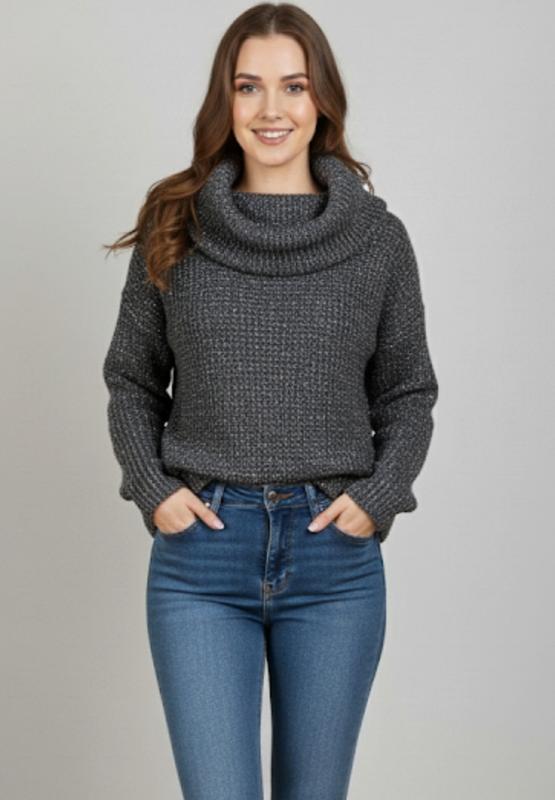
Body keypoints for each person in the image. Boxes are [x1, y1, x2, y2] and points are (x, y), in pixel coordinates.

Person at [101, 4, 439, 799]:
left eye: (293, 85)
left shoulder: (377, 240)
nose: (270, 109)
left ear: (322, 99)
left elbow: (407, 391)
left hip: (333, 563)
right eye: (247, 86)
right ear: (224, 100)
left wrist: (378, 497)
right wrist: (153, 490)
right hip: (200, 559)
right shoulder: (175, 226)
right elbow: (132, 381)